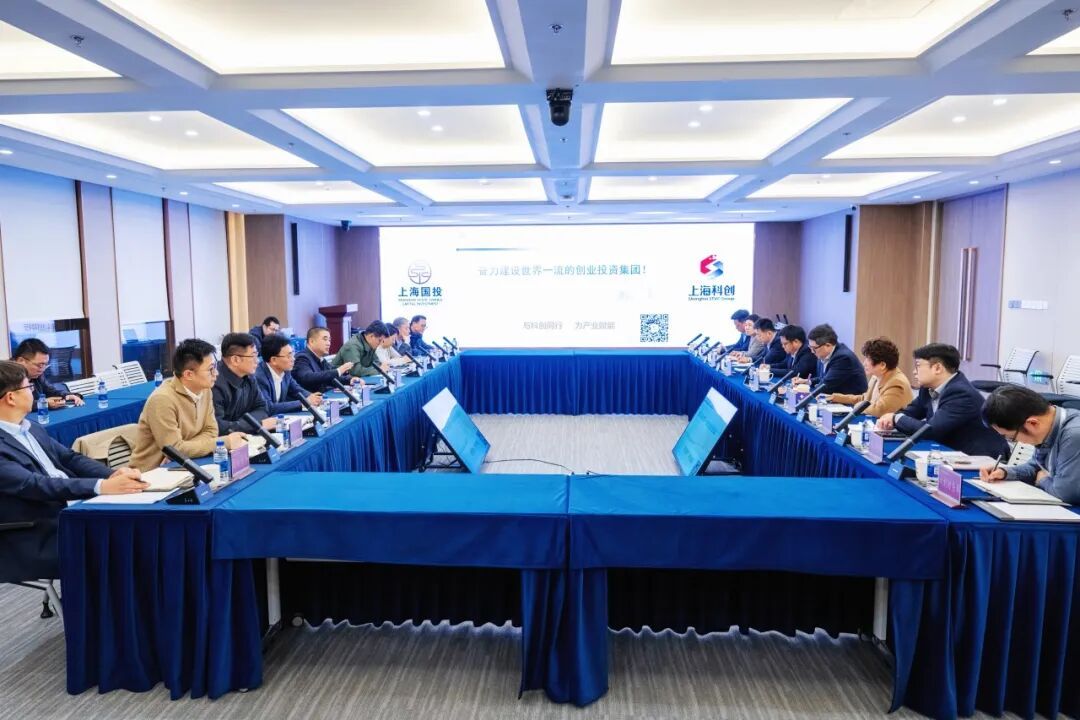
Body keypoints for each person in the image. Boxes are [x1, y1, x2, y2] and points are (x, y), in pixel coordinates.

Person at [0, 361, 146, 582]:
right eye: (28, 387)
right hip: (36, 530)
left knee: (140, 530)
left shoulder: (31, 427)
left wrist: (111, 475)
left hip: (71, 511)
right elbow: (34, 484)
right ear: (11, 397)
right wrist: (100, 487)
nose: (33, 392)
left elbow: (70, 458)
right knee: (121, 546)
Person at [131, 339, 247, 469]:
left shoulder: (205, 390)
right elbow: (175, 448)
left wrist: (182, 450)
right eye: (210, 369)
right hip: (150, 473)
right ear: (188, 374)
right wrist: (223, 442)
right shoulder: (162, 400)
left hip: (184, 464)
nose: (216, 373)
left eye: (215, 367)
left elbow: (211, 431)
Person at [877, 343, 1009, 458]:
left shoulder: (961, 393)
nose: (914, 372)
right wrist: (893, 419)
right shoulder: (927, 389)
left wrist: (896, 418)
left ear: (937, 368)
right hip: (950, 453)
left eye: (918, 365)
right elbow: (909, 413)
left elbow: (930, 431)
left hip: (979, 459)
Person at [980, 385, 1080, 504]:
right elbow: (1035, 467)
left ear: (1032, 423)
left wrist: (1042, 480)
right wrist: (1005, 472)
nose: (1016, 441)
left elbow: (1065, 493)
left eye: (1011, 437)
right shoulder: (1049, 424)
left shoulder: (1074, 435)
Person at [828, 337, 914, 418]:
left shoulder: (896, 382)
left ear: (882, 365)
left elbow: (880, 410)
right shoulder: (876, 376)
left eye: (868, 359)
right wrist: (837, 398)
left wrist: (858, 406)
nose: (864, 363)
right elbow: (865, 399)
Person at [213, 333, 275, 435]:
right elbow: (218, 427)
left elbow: (263, 408)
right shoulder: (214, 382)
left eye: (257, 355)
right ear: (235, 360)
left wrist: (241, 425)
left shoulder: (249, 376)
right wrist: (257, 424)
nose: (257, 361)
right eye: (253, 356)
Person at [256, 334, 322, 415]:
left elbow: (297, 390)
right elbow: (269, 408)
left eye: (292, 354)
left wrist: (313, 398)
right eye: (289, 356)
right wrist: (305, 402)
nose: (293, 359)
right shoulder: (259, 378)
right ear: (273, 360)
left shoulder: (285, 371)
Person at [12, 338, 83, 408]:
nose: (43, 369)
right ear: (21, 361)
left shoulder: (37, 374)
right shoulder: (7, 376)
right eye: (39, 365)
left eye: (45, 365)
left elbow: (51, 391)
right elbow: (14, 404)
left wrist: (67, 395)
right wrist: (43, 403)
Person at [807, 324, 868, 396]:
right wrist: (808, 382)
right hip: (834, 397)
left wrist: (805, 392)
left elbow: (825, 386)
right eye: (810, 347)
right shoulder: (823, 354)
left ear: (828, 345)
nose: (812, 351)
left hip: (849, 400)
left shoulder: (843, 358)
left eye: (814, 348)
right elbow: (824, 378)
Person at [293, 327, 355, 393]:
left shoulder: (321, 359)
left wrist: (349, 380)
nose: (328, 343)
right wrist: (339, 370)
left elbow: (330, 377)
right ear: (311, 341)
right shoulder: (302, 358)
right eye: (325, 339)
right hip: (310, 397)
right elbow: (308, 377)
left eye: (329, 340)